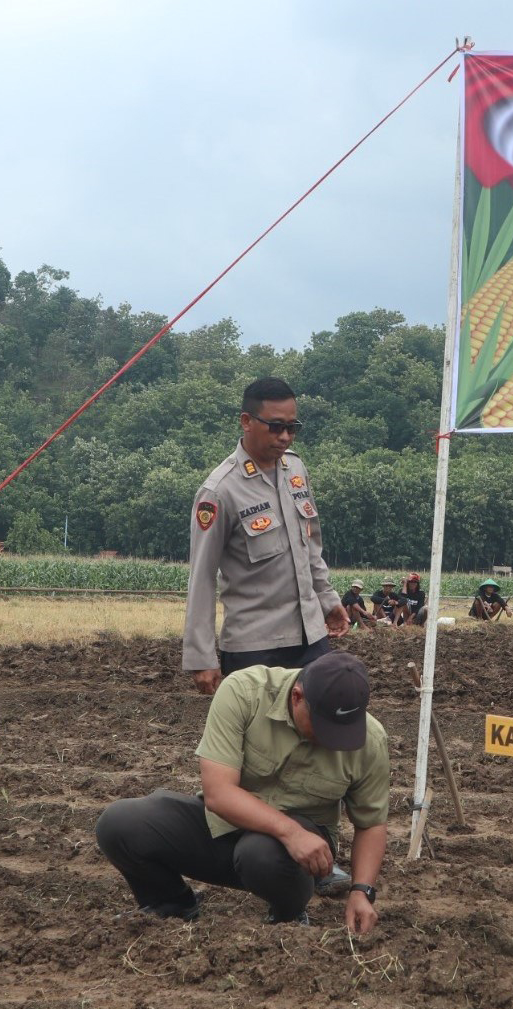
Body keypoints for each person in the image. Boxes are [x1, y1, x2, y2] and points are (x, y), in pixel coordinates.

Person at [95, 651, 389, 931]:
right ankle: (170, 903)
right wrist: (289, 831)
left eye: (344, 730)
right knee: (121, 823)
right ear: (297, 697)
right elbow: (219, 793)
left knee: (261, 853)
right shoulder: (244, 692)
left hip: (289, 859)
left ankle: (287, 916)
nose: (332, 741)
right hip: (227, 828)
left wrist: (362, 891)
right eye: (324, 728)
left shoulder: (371, 740)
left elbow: (371, 823)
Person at [183, 377, 349, 697]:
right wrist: (201, 656)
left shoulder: (296, 469)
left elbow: (310, 546)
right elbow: (201, 578)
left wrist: (328, 600)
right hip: (255, 649)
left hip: (311, 639)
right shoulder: (219, 491)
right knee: (261, 744)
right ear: (246, 421)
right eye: (275, 427)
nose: (285, 436)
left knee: (318, 737)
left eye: (292, 427)